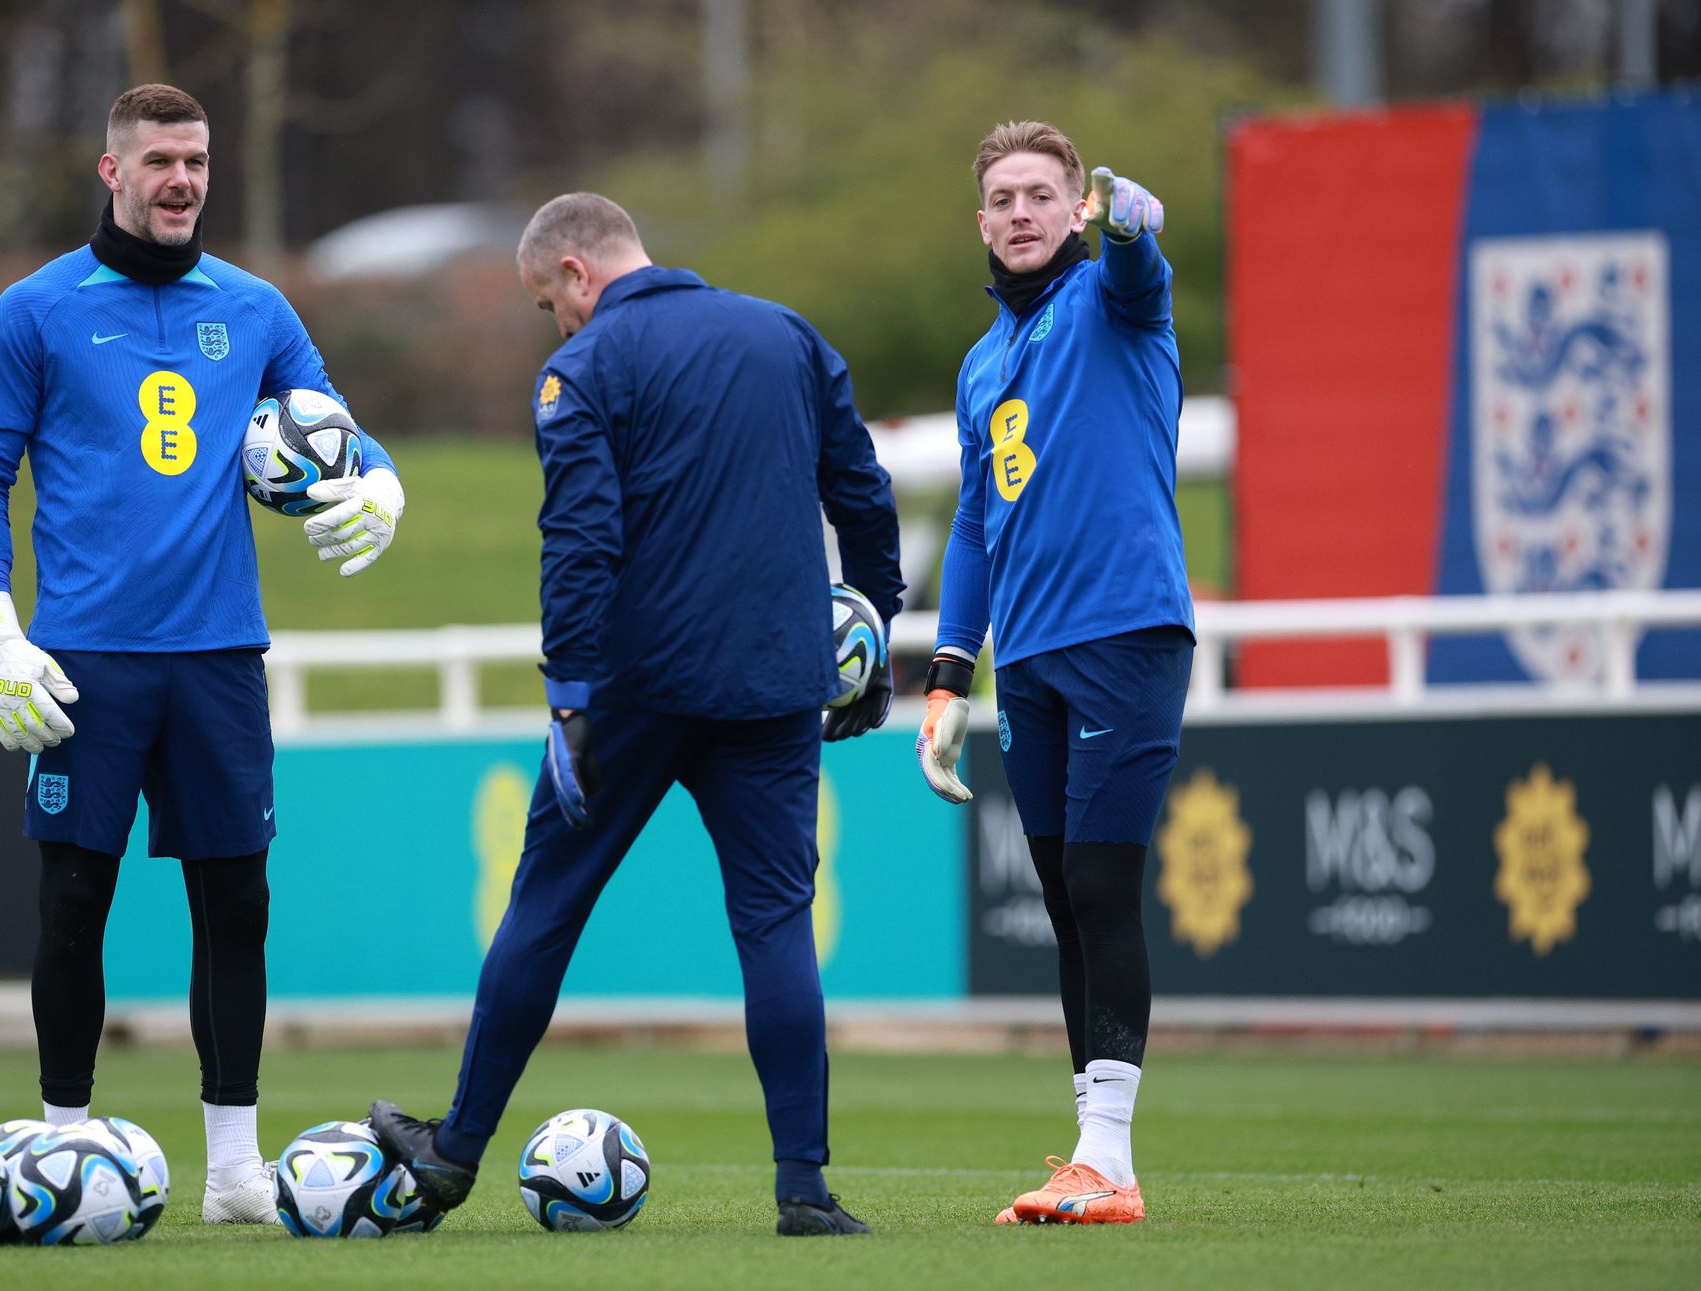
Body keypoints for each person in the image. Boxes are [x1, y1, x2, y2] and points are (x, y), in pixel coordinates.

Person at [369, 193, 903, 1237]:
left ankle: (455, 1151)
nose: (552, 324)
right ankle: (804, 1188)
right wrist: (873, 632)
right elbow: (862, 491)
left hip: (631, 691)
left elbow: (580, 537)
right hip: (773, 685)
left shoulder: (585, 367)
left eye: (542, 303)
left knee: (545, 907)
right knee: (774, 925)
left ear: (574, 272)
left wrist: (567, 690)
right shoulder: (784, 333)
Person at [0, 83, 405, 1225]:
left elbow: (333, 418)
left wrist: (385, 481)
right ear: (112, 172)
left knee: (235, 904)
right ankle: (62, 1150)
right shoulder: (34, 310)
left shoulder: (252, 309)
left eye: (196, 160)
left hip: (216, 659)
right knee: (71, 900)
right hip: (85, 661)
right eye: (159, 160)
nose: (182, 180)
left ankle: (237, 1170)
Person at [916, 121, 1192, 1226]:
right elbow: (977, 528)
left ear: (1074, 209)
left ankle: (1107, 1158)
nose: (1020, 212)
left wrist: (1132, 226)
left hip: (1123, 632)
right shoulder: (980, 364)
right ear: (979, 221)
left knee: (1096, 886)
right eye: (1001, 197)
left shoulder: (1116, 300)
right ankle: (1096, 1152)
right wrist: (946, 674)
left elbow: (1138, 260)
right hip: (1024, 658)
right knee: (1062, 901)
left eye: (1041, 193)